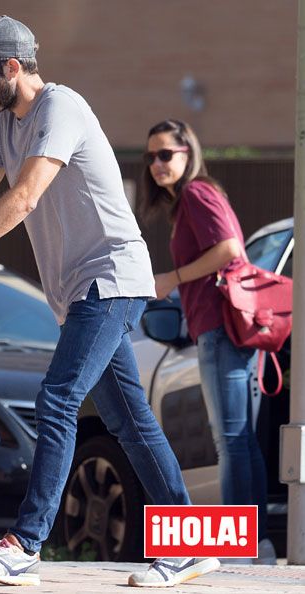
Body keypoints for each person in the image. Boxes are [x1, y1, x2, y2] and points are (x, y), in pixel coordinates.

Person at [0, 15, 219, 588]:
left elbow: (23, 197)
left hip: (111, 279)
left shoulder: (60, 107)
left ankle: (25, 544)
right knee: (129, 421)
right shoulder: (6, 127)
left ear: (13, 67)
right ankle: (188, 544)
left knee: (59, 398)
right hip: (82, 292)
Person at [140, 118, 276, 565]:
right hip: (218, 330)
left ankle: (242, 545)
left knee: (230, 439)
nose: (158, 164)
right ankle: (255, 543)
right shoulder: (187, 201)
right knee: (241, 439)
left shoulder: (198, 193)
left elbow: (230, 250)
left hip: (220, 328)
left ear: (187, 152)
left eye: (166, 154)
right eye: (151, 156)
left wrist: (171, 279)